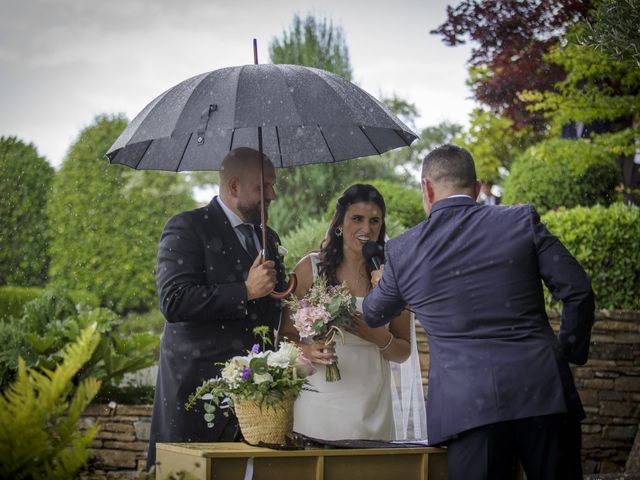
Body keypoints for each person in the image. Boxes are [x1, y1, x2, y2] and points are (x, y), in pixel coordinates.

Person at [363, 144, 595, 480]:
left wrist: (382, 281)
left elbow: (373, 314)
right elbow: (578, 291)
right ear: (477, 187)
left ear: (426, 188)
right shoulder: (520, 221)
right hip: (543, 394)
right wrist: (566, 352)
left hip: (468, 409)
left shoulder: (404, 251)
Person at [146, 147, 285, 469]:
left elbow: (269, 310)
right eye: (262, 187)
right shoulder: (187, 228)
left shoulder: (269, 238)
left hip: (256, 400)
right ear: (233, 186)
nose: (272, 195)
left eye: (272, 185)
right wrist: (245, 291)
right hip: (196, 395)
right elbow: (175, 301)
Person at [279, 184, 426, 441]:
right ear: (339, 223)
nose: (366, 229)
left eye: (374, 221)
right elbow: (284, 339)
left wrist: (377, 337)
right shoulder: (309, 268)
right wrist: (309, 351)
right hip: (319, 400)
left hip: (373, 404)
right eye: (357, 218)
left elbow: (403, 351)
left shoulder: (392, 277)